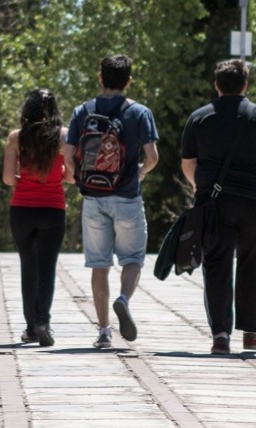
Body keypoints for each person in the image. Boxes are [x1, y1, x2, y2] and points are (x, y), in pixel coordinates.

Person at [180, 59, 256, 355]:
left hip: (215, 204)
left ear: (216, 85)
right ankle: (251, 333)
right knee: (252, 262)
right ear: (245, 85)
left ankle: (221, 335)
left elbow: (188, 163)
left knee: (217, 263)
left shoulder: (199, 118)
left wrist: (201, 187)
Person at [64, 54, 159, 350]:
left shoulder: (83, 111)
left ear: (100, 78)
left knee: (99, 265)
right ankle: (124, 298)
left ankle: (104, 331)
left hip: (93, 197)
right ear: (129, 80)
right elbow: (153, 157)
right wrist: (140, 173)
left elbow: (67, 156)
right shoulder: (139, 112)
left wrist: (80, 178)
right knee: (132, 259)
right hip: (128, 197)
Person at [2, 88, 71, 347]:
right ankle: (43, 321)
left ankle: (30, 328)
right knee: (47, 268)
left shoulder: (16, 138)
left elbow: (8, 178)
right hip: (52, 208)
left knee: (28, 268)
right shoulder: (64, 138)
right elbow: (72, 177)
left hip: (22, 209)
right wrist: (60, 172)